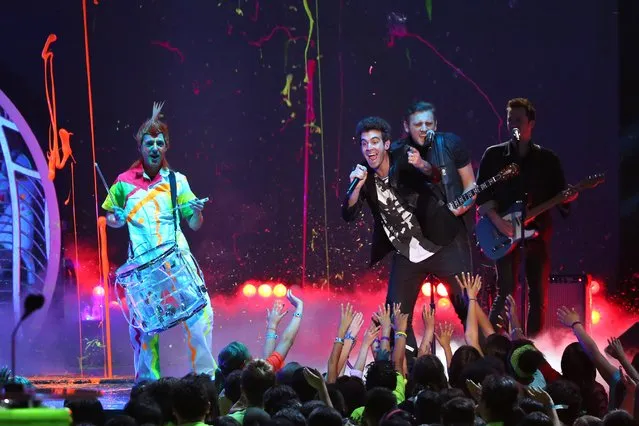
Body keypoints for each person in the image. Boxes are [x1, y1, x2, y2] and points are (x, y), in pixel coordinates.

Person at [102, 102, 216, 381]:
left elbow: (194, 224)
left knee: (200, 316)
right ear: (140, 147)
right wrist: (115, 217)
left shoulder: (177, 181)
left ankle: (205, 379)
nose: (154, 147)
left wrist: (198, 211)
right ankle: (148, 384)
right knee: (143, 327)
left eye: (159, 143)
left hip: (176, 262)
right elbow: (111, 220)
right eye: (149, 142)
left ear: (166, 147)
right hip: (143, 266)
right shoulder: (122, 183)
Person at [341, 116, 463, 357]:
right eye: (364, 143)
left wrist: (421, 165)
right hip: (406, 253)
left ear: (386, 145)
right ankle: (408, 370)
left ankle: (483, 360)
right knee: (397, 315)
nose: (369, 148)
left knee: (466, 304)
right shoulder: (364, 175)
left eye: (375, 142)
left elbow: (435, 175)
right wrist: (356, 186)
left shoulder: (405, 160)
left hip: (437, 243)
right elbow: (348, 213)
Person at [476, 97, 577, 336]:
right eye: (510, 120)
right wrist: (499, 222)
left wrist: (569, 197)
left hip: (538, 234)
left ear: (531, 123)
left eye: (518, 121)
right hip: (503, 233)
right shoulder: (493, 156)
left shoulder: (548, 160)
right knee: (506, 289)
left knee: (538, 295)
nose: (513, 125)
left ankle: (532, 348)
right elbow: (480, 195)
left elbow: (560, 195)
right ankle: (494, 345)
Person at [390, 101, 477, 313]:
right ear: (406, 126)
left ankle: (479, 345)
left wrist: (459, 208)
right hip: (412, 243)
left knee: (468, 305)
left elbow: (471, 186)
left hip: (450, 238)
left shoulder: (451, 144)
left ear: (436, 124)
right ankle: (403, 345)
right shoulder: (396, 152)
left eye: (428, 123)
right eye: (417, 124)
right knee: (396, 312)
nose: (423, 128)